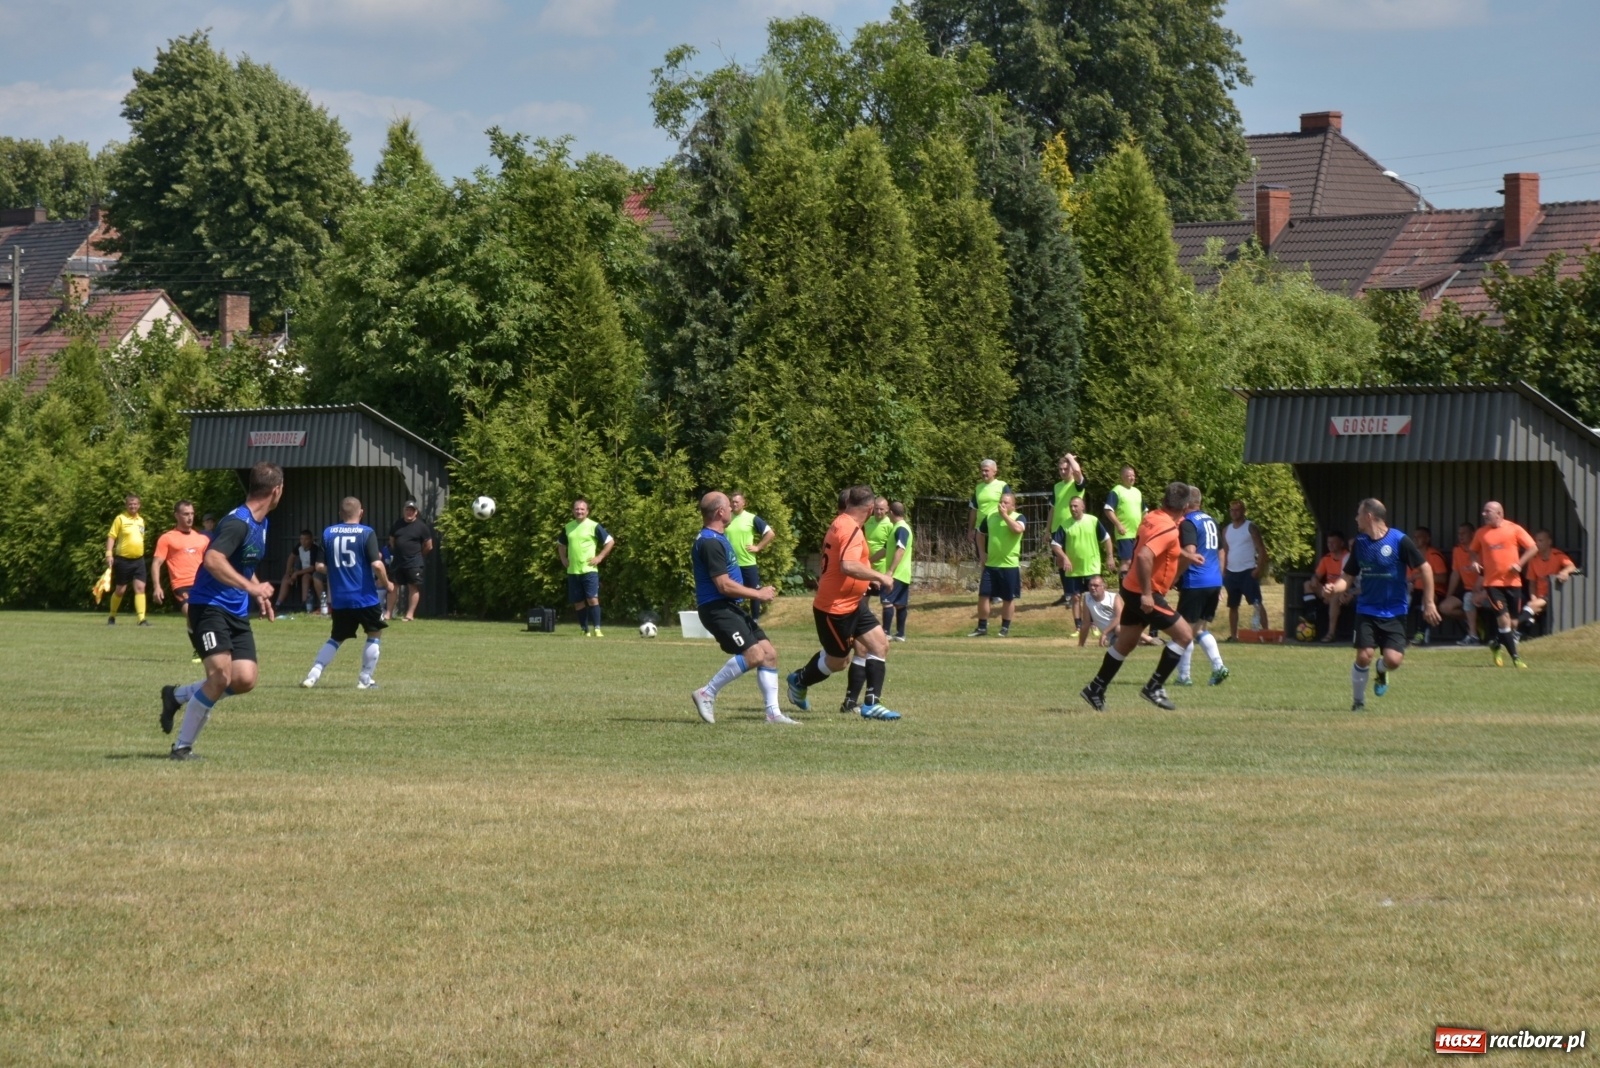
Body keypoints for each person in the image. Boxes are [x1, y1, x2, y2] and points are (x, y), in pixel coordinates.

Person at [158, 462, 284, 760]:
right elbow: (214, 560)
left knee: (244, 678)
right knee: (219, 678)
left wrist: (256, 589)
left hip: (235, 611)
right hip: (209, 607)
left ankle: (176, 696)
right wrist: (254, 589)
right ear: (276, 490)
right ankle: (182, 748)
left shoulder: (261, 521)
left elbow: (240, 564)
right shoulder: (237, 522)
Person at [787, 485, 901, 721]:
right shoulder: (850, 529)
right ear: (870, 509)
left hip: (853, 602)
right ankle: (799, 680)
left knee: (880, 645)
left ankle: (871, 704)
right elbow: (847, 565)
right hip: (834, 609)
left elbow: (853, 563)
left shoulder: (843, 522)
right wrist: (879, 576)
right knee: (839, 661)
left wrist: (867, 582)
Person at [1081, 481, 1194, 712]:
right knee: (1184, 636)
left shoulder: (1152, 517)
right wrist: (1146, 595)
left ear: (1164, 501)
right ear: (1184, 509)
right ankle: (1154, 686)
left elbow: (1154, 544)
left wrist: (1183, 555)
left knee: (1126, 642)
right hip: (1145, 592)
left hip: (1130, 587)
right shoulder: (1169, 529)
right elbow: (1144, 556)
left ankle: (1096, 688)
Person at [688, 492, 797, 726]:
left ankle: (773, 714)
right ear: (720, 512)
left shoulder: (717, 537)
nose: (731, 509)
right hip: (717, 609)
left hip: (728, 606)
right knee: (754, 655)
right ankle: (707, 693)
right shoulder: (710, 542)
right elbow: (723, 585)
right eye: (728, 506)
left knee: (768, 654)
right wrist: (758, 593)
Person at [1326, 498, 1440, 711]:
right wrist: (1334, 588)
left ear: (1369, 516)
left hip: (1395, 611)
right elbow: (1347, 577)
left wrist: (1430, 602)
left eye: (1358, 513)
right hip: (1367, 609)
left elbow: (1426, 569)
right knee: (1364, 655)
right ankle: (1358, 703)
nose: (1355, 518)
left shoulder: (1400, 540)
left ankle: (1381, 669)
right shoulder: (1360, 544)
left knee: (1394, 660)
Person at [301, 497, 391, 690]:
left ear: (341, 514)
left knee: (336, 638)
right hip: (365, 597)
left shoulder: (328, 532)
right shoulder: (367, 533)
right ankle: (365, 679)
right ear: (361, 512)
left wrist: (338, 570)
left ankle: (313, 675)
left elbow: (319, 566)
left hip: (340, 598)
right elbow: (376, 564)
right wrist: (387, 583)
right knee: (374, 634)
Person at [1470, 501, 1537, 668]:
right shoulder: (1481, 533)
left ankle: (1495, 644)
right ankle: (1516, 658)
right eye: (1483, 511)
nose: (1483, 514)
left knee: (1513, 623)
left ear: (1499, 513)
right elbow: (1472, 550)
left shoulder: (1514, 529)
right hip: (1492, 583)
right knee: (1504, 620)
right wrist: (1474, 562)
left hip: (1513, 583)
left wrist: (1519, 564)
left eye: (1487, 511)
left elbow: (1533, 548)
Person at [1174, 486, 1228, 686]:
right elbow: (1222, 552)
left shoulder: (1188, 523)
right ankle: (1218, 666)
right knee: (1199, 629)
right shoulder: (1212, 521)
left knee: (1183, 631)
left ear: (1186, 503)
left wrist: (1175, 576)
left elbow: (1190, 552)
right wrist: (1220, 580)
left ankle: (1184, 676)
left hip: (1195, 582)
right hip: (1214, 581)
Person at [1053, 495, 1112, 638]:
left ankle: (1094, 624)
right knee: (1076, 597)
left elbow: (1107, 538)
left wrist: (1110, 556)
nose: (1073, 509)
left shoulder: (1093, 521)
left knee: (1095, 596)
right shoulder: (1065, 525)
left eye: (1075, 506)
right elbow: (1055, 545)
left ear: (1082, 507)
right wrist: (1065, 557)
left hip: (1091, 567)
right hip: (1074, 569)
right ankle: (1078, 627)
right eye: (1071, 506)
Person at [971, 491, 1026, 637]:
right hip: (991, 565)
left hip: (1009, 566)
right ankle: (982, 627)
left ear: (1013, 506)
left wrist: (1005, 516)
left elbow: (1018, 529)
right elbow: (980, 534)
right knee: (984, 595)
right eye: (1001, 502)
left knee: (1008, 598)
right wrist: (982, 554)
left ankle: (1004, 628)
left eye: (1006, 503)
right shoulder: (990, 517)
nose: (1002, 505)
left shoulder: (1018, 517)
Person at [558, 497, 615, 636]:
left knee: (592, 599)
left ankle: (597, 628)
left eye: (582, 509)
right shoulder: (568, 527)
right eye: (577, 509)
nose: (579, 511)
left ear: (587, 511)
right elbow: (561, 544)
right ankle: (584, 630)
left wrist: (600, 557)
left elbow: (610, 541)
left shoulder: (594, 526)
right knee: (578, 602)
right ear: (573, 511)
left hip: (589, 570)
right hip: (573, 571)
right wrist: (563, 558)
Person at [1220, 499, 1270, 641]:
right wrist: (1223, 571)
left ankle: (1266, 632)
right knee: (1233, 605)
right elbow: (1226, 551)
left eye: (1237, 510)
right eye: (1232, 510)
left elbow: (1261, 549)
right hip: (1231, 572)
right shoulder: (1226, 530)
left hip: (1248, 571)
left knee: (1256, 603)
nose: (1234, 513)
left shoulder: (1250, 527)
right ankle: (1234, 635)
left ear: (1243, 511)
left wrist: (1258, 568)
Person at [151, 501, 210, 619]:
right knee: (193, 616)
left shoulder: (202, 539)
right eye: (186, 514)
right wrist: (157, 586)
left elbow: (213, 563)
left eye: (192, 514)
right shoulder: (167, 538)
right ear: (176, 515)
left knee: (206, 619)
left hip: (201, 583)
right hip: (181, 585)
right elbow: (156, 564)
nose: (190, 517)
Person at [725, 491, 776, 622]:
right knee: (731, 592)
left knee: (754, 592)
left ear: (744, 503)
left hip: (748, 562)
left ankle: (755, 621)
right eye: (732, 501)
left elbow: (770, 533)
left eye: (737, 501)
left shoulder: (751, 518)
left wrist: (758, 547)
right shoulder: (726, 518)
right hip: (731, 564)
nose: (734, 504)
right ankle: (733, 618)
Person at [969, 459, 1012, 603]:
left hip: (997, 529)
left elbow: (1010, 505)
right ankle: (988, 592)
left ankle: (999, 593)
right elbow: (974, 510)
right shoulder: (978, 488)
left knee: (997, 560)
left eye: (986, 470)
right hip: (980, 531)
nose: (984, 473)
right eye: (982, 470)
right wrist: (970, 529)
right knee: (984, 560)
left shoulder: (1002, 486)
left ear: (995, 471)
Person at [105, 493, 150, 626]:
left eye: (135, 504)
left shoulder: (141, 520)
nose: (133, 506)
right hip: (123, 560)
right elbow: (111, 536)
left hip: (139, 560)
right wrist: (109, 554)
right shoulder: (120, 519)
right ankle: (112, 616)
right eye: (130, 504)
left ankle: (141, 619)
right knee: (120, 590)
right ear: (126, 505)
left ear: (139, 505)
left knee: (140, 588)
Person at [1047, 453, 1087, 603]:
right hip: (1057, 528)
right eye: (1060, 469)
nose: (1063, 472)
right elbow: (1052, 509)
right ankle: (1067, 594)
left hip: (1073, 527)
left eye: (1065, 469)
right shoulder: (1057, 487)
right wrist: (1047, 530)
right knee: (1060, 562)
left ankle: (1075, 593)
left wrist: (1070, 458)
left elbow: (1077, 472)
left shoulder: (1076, 485)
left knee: (1072, 560)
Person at [386, 500, 434, 623]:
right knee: (393, 587)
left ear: (416, 512)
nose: (409, 512)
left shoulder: (421, 526)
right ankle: (388, 614)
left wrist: (419, 556)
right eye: (407, 510)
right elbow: (392, 539)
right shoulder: (398, 524)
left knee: (413, 587)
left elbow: (429, 545)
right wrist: (395, 550)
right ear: (404, 511)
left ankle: (409, 615)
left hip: (414, 562)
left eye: (412, 510)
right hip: (398, 561)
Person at [1522, 529, 1577, 631]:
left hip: (1553, 595)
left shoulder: (1557, 555)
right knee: (1530, 605)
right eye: (1536, 541)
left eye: (1541, 541)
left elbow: (1571, 566)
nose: (1537, 544)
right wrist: (1534, 598)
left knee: (1530, 607)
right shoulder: (1533, 559)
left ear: (1549, 542)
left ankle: (1515, 631)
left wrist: (1564, 572)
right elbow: (1532, 584)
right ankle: (1524, 627)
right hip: (1540, 597)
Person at [1305, 531, 1352, 643]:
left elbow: (1348, 581)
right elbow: (1317, 575)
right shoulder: (1326, 558)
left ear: (1341, 543)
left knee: (1334, 597)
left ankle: (1331, 633)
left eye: (1333, 542)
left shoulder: (1347, 557)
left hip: (1342, 591)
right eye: (1328, 542)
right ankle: (1311, 614)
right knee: (1308, 584)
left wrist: (1332, 594)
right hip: (1328, 590)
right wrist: (1315, 579)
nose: (1330, 545)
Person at [1438, 523, 1482, 643]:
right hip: (1467, 589)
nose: (1460, 536)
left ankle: (1473, 635)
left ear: (1472, 534)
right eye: (1459, 533)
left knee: (1469, 598)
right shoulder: (1457, 550)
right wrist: (1449, 594)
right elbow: (1455, 574)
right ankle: (1476, 621)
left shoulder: (1481, 549)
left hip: (1482, 589)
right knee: (1444, 607)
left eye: (1464, 533)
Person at [1407, 527, 1448, 642]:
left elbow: (1443, 578)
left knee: (1427, 600)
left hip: (1434, 591)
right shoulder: (1412, 555)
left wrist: (1422, 576)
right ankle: (1394, 633)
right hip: (1416, 591)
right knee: (1401, 600)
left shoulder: (1434, 555)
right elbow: (1408, 577)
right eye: (1414, 536)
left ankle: (1421, 633)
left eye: (1419, 536)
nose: (1415, 539)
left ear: (1427, 539)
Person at [879, 501, 913, 641]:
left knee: (887, 601)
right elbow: (885, 550)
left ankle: (886, 633)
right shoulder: (898, 528)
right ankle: (900, 634)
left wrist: (890, 571)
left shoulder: (901, 528)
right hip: (904, 573)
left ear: (891, 513)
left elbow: (901, 549)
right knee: (900, 604)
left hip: (897, 573)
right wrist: (868, 560)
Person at [1102, 465, 1143, 577]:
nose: (1132, 478)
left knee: (1137, 562)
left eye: (1133, 475)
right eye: (1128, 476)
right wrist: (1118, 524)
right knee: (1127, 561)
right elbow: (1108, 509)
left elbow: (1145, 512)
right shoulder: (1116, 491)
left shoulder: (1137, 492)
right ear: (1122, 477)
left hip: (1138, 533)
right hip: (1124, 533)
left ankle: (1133, 589)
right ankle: (1123, 591)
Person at [275, 529, 326, 614]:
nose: (303, 541)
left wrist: (296, 573)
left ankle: (304, 604)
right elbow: (291, 557)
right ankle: (277, 604)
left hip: (311, 573)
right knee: (286, 578)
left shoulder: (315, 549)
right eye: (301, 539)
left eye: (306, 539)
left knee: (305, 578)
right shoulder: (299, 546)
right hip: (300, 572)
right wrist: (288, 572)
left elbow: (313, 568)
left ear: (311, 540)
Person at [1078, 573, 1121, 648]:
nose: (1092, 588)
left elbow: (1120, 617)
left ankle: (1147, 639)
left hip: (1123, 629)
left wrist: (1104, 633)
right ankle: (1145, 641)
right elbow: (1086, 623)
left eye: (1096, 585)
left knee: (1118, 629)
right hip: (1112, 637)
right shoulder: (1087, 598)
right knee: (1116, 643)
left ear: (1104, 587)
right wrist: (1080, 644)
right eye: (1090, 585)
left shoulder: (1113, 597)